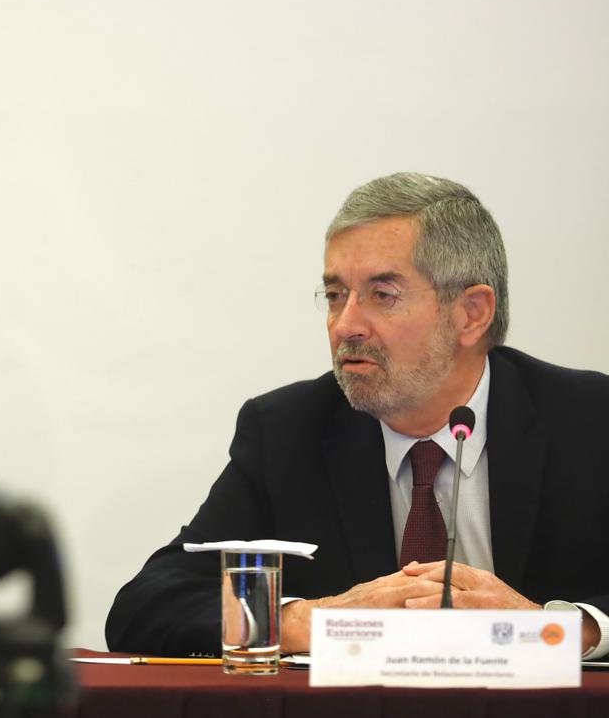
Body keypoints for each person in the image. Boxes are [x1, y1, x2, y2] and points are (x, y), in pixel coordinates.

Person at [106, 172, 609, 658]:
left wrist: (559, 628)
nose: (345, 325)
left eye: (382, 295)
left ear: (471, 313)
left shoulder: (590, 421)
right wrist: (316, 618)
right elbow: (145, 607)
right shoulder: (288, 431)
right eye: (335, 296)